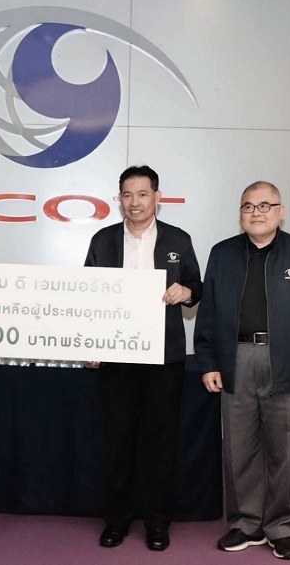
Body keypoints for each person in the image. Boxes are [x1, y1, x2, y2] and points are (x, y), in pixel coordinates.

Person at [194, 181, 290, 560]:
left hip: (286, 362)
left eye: (264, 205)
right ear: (240, 213)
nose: (256, 213)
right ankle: (245, 523)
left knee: (286, 451)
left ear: (280, 211)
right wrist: (209, 362)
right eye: (248, 206)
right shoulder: (222, 254)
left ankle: (282, 527)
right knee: (238, 448)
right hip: (236, 360)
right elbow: (207, 315)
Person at [84, 165, 202, 551]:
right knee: (117, 442)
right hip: (116, 359)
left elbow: (197, 285)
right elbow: (87, 295)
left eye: (142, 194)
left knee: (161, 444)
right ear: (118, 199)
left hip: (163, 360)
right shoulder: (103, 240)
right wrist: (90, 344)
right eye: (127, 195)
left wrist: (187, 292)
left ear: (157, 197)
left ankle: (157, 523)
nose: (134, 202)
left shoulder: (178, 239)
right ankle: (117, 521)